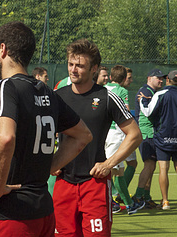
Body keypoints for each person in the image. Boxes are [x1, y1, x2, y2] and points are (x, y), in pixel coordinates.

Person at [0, 22, 92, 237]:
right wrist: (46, 169)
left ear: (3, 49)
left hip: (8, 213)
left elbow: (6, 137)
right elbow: (83, 135)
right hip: (42, 211)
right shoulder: (47, 92)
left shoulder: (5, 86)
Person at [53, 39, 142, 237]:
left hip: (95, 183)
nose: (73, 70)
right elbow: (45, 133)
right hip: (63, 184)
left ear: (94, 69)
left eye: (80, 66)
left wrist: (109, 164)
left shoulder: (108, 97)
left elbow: (135, 135)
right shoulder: (56, 96)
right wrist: (53, 160)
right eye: (70, 64)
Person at [139, 70, 177, 210]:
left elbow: (148, 111)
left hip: (163, 138)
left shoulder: (159, 95)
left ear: (168, 79)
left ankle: (166, 202)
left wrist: (142, 101)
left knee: (163, 169)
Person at [103, 65, 143, 214]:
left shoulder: (103, 88)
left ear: (111, 76)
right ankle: (109, 202)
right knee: (111, 169)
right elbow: (124, 110)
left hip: (106, 132)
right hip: (117, 133)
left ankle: (128, 204)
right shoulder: (122, 91)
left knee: (118, 170)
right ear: (124, 78)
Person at [133, 69, 165, 209]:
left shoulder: (150, 92)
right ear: (149, 78)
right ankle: (138, 196)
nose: (161, 80)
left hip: (149, 133)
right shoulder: (146, 92)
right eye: (158, 78)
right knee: (149, 165)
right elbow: (149, 113)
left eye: (162, 78)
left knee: (150, 165)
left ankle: (146, 197)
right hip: (147, 133)